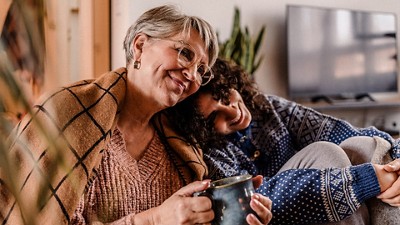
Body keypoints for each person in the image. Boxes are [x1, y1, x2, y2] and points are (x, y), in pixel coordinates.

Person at [0, 5, 273, 225]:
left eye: (202, 70)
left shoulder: (181, 144)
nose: (192, 75)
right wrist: (153, 219)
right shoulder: (65, 112)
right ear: (140, 46)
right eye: (184, 53)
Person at [166, 58, 400, 225]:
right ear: (204, 129)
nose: (232, 111)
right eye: (215, 116)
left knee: (364, 145)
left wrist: (398, 160)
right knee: (327, 154)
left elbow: (339, 130)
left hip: (325, 203)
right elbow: (257, 200)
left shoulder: (267, 106)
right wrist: (366, 179)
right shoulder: (211, 154)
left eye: (224, 97)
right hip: (281, 212)